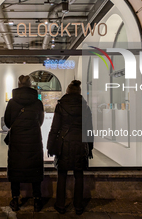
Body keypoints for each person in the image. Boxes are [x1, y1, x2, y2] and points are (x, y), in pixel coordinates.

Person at [47, 80, 93, 215]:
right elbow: (89, 129)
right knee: (79, 175)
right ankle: (78, 206)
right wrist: (90, 148)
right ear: (79, 92)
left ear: (67, 92)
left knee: (62, 175)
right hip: (80, 144)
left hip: (64, 144)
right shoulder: (85, 106)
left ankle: (60, 205)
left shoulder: (61, 106)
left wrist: (50, 146)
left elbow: (55, 128)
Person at [4, 75, 44, 212]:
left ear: (18, 84)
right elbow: (40, 121)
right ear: (31, 85)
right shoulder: (38, 103)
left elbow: (8, 122)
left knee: (15, 168)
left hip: (17, 141)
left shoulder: (12, 102)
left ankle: (15, 200)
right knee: (35, 168)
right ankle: (37, 200)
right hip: (33, 140)